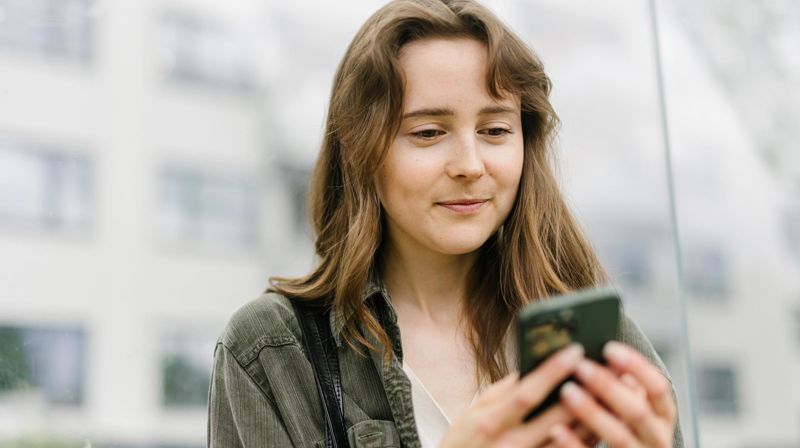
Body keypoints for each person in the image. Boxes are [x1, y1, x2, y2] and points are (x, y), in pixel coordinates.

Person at [208, 0, 683, 446]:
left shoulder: (599, 337)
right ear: (361, 152)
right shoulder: (270, 351)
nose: (470, 165)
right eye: (429, 133)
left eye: (495, 130)